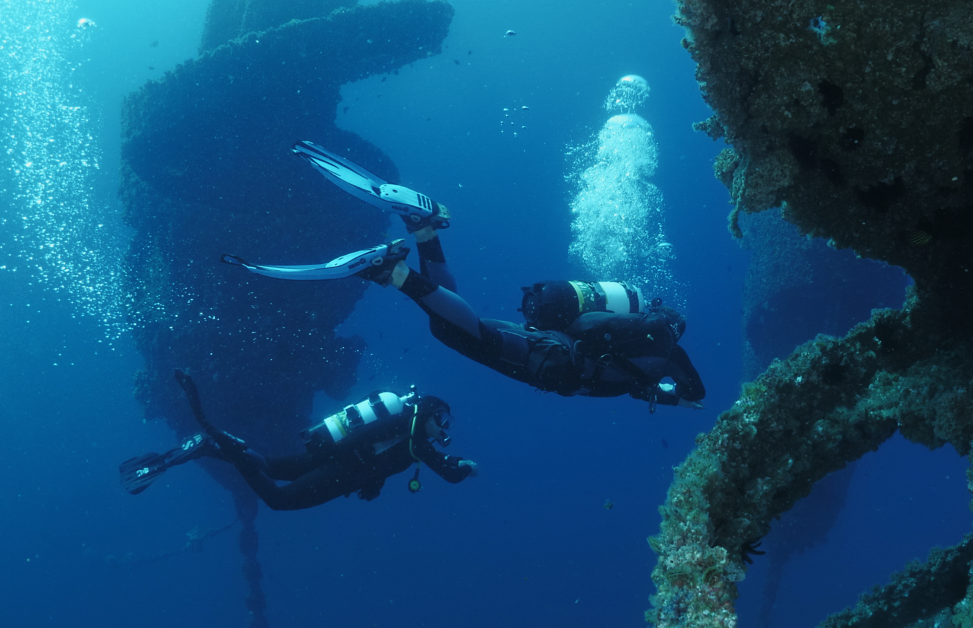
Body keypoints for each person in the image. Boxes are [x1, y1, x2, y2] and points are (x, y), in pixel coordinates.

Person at [221, 141, 706, 412]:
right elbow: (694, 394)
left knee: (455, 325)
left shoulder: (653, 343)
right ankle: (392, 270)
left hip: (553, 349)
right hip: (555, 363)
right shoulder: (666, 354)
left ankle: (424, 231)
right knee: (471, 335)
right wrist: (669, 393)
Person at [120, 370, 478, 510]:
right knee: (277, 499)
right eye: (442, 419)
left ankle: (209, 447)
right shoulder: (418, 437)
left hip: (335, 457)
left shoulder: (405, 431)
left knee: (271, 466)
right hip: (342, 471)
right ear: (429, 414)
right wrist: (464, 468)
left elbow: (379, 447)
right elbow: (446, 471)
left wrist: (378, 482)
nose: (443, 428)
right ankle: (218, 440)